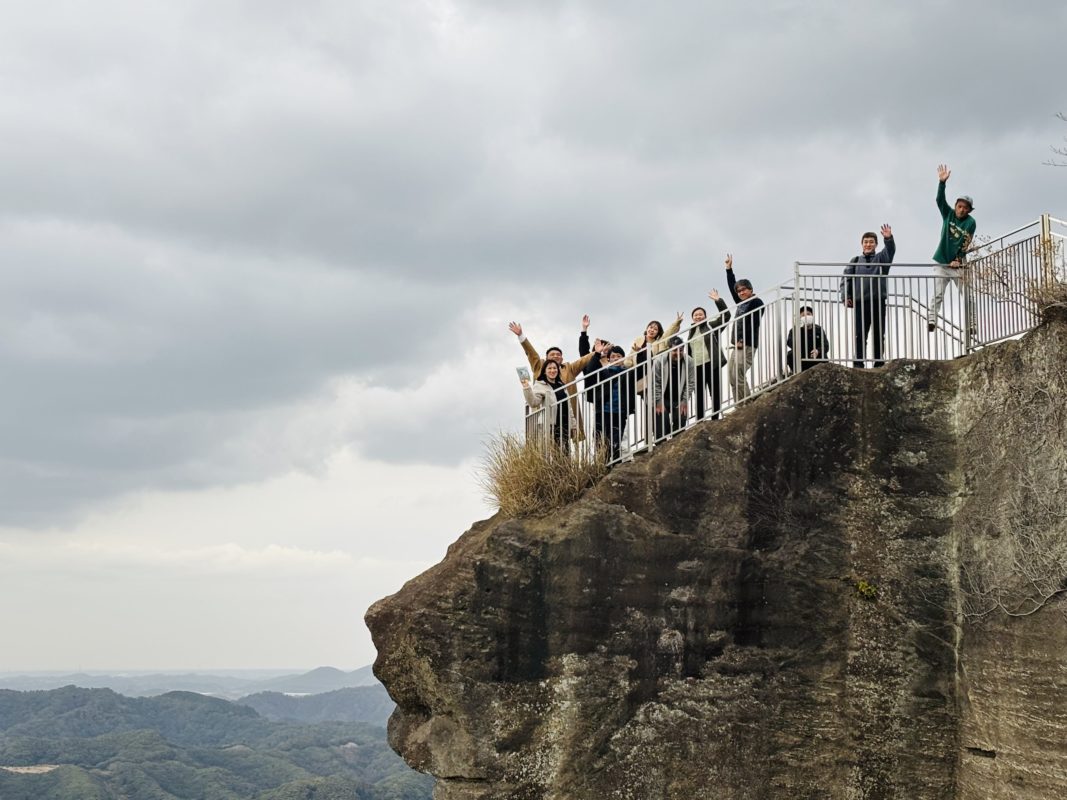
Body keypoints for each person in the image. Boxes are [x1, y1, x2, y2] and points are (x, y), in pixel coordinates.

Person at [509, 320, 595, 437]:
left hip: (565, 414)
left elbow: (583, 360)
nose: (555, 356)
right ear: (546, 358)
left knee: (565, 442)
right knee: (546, 442)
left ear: (562, 358)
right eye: (552, 355)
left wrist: (596, 352)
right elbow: (531, 353)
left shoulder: (568, 368)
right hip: (546, 417)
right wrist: (521, 336)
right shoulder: (539, 366)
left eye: (558, 355)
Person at [928, 164, 977, 334]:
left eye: (965, 208)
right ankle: (932, 319)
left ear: (969, 210)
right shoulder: (948, 214)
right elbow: (939, 200)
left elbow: (965, 242)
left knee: (968, 294)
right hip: (942, 261)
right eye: (960, 206)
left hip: (958, 264)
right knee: (938, 293)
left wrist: (957, 259)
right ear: (956, 206)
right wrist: (942, 183)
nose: (962, 210)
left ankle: (972, 324)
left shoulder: (970, 222)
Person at [843, 225, 895, 368]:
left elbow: (890, 250)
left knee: (878, 332)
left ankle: (878, 361)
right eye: (865, 242)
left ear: (876, 244)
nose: (868, 244)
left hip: (878, 300)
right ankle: (859, 361)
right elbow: (846, 279)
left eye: (871, 242)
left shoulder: (881, 258)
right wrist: (846, 296)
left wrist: (888, 239)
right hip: (860, 301)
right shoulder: (855, 260)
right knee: (860, 333)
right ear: (862, 244)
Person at [725, 254, 765, 402]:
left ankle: (747, 404)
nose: (741, 293)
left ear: (750, 289)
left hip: (746, 344)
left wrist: (742, 340)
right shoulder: (741, 303)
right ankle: (739, 406)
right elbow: (732, 287)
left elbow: (753, 323)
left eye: (744, 290)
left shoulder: (756, 302)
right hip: (737, 345)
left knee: (738, 375)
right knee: (732, 376)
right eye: (739, 291)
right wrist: (729, 270)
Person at [583, 345, 633, 461]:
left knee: (616, 441)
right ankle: (603, 464)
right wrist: (597, 354)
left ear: (623, 358)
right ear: (608, 359)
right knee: (600, 441)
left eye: (619, 356)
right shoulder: (604, 372)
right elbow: (590, 371)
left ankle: (614, 463)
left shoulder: (628, 373)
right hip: (603, 411)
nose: (616, 358)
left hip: (619, 413)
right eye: (613, 356)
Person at [688, 292, 730, 419]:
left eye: (700, 314)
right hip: (696, 366)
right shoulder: (690, 332)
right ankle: (700, 420)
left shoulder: (711, 326)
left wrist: (718, 301)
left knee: (715, 392)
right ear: (692, 318)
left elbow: (726, 316)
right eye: (695, 315)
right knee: (699, 395)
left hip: (711, 364)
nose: (698, 316)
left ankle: (715, 418)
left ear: (705, 316)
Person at [652, 336, 696, 439]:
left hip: (678, 398)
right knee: (661, 424)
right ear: (669, 349)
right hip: (662, 398)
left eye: (680, 350)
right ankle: (660, 444)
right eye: (675, 350)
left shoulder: (689, 361)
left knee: (681, 420)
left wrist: (684, 400)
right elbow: (655, 382)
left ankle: (676, 442)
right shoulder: (659, 361)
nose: (678, 353)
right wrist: (658, 401)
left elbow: (691, 382)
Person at [521, 360, 570, 448]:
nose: (552, 370)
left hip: (564, 423)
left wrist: (573, 424)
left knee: (565, 451)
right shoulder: (540, 385)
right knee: (551, 451)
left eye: (554, 368)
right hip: (550, 424)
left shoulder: (562, 385)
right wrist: (526, 387)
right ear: (544, 371)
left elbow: (569, 407)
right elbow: (533, 403)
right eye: (549, 368)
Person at [785, 306, 831, 373]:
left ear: (812, 316)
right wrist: (799, 329)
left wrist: (818, 351)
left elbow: (826, 345)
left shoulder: (818, 329)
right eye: (803, 315)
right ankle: (797, 374)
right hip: (802, 359)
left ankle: (823, 373)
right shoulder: (794, 330)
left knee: (823, 354)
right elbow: (790, 343)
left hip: (816, 358)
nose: (806, 316)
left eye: (808, 314)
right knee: (790, 354)